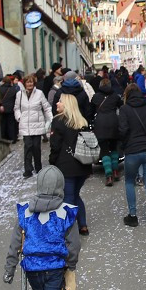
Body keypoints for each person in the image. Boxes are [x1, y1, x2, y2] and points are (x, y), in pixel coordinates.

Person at [116, 83, 146, 233]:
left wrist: (123, 144)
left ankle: (133, 216)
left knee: (129, 182)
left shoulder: (124, 109)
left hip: (132, 151)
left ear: (127, 95)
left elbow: (122, 130)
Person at [48, 94, 92, 236]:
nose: (57, 104)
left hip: (66, 166)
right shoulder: (82, 121)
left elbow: (55, 146)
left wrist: (52, 162)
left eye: (59, 101)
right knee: (75, 195)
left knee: (68, 198)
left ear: (66, 104)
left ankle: (69, 231)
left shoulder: (58, 121)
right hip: (83, 165)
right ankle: (83, 225)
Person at [15, 74, 52, 178]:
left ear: (34, 83)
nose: (29, 84)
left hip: (37, 124)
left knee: (36, 147)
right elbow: (16, 108)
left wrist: (51, 119)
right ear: (24, 83)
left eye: (31, 82)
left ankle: (38, 167)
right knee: (28, 147)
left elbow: (46, 107)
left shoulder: (39, 93)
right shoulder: (19, 94)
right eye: (28, 82)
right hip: (25, 125)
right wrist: (19, 117)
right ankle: (28, 169)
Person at [90, 78, 122, 186]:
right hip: (113, 123)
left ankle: (108, 176)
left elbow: (90, 112)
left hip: (100, 124)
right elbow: (121, 107)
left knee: (104, 150)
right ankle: (116, 171)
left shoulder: (95, 96)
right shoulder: (115, 96)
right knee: (113, 148)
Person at [0, 74, 20, 142]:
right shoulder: (13, 89)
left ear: (3, 81)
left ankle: (3, 138)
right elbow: (16, 98)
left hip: (3, 108)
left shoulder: (0, 89)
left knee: (3, 123)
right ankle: (13, 138)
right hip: (11, 108)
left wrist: (0, 105)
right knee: (11, 124)